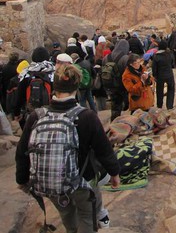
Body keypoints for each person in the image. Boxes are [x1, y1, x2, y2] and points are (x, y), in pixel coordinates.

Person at [15, 64, 120, 233]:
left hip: (52, 181)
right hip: (82, 180)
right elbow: (104, 150)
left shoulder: (37, 116)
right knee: (86, 215)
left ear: (54, 86)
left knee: (66, 213)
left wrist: (22, 179)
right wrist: (114, 173)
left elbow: (22, 151)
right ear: (77, 87)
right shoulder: (86, 116)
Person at [13, 47, 55, 128]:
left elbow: (19, 96)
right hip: (51, 113)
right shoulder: (53, 73)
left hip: (31, 114)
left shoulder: (26, 74)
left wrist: (17, 113)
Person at [103, 39, 130, 121]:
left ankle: (114, 122)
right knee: (127, 105)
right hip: (122, 85)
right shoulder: (125, 58)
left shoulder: (106, 57)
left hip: (110, 85)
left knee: (115, 105)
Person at [152, 41, 175, 110]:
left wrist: (154, 75)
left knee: (159, 91)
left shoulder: (156, 56)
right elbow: (172, 64)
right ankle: (170, 106)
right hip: (169, 75)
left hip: (160, 76)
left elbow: (154, 68)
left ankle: (159, 106)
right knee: (171, 89)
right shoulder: (169, 54)